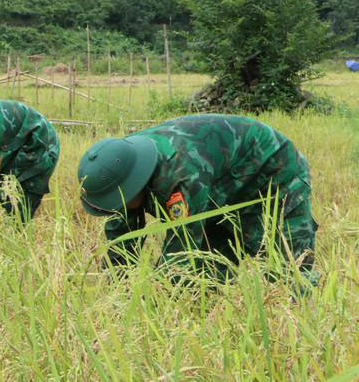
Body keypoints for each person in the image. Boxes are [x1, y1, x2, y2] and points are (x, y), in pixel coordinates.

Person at [76, 114, 318, 286]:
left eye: (118, 201)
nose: (115, 208)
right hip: (221, 179)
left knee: (289, 267)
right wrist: (118, 291)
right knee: (209, 271)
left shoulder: (181, 174)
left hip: (275, 168)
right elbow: (121, 242)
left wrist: (155, 300)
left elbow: (180, 253)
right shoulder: (123, 164)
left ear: (134, 184)